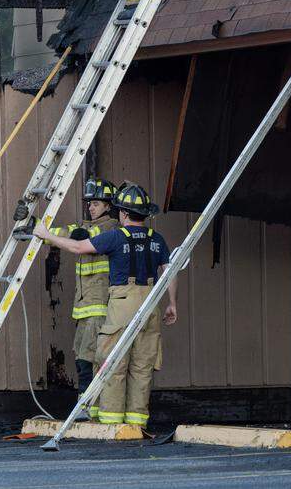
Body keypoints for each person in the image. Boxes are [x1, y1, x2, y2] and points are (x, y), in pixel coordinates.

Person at [35, 182, 177, 430]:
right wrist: (172, 304)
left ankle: (111, 422)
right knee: (142, 368)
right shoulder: (158, 240)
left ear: (122, 213)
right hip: (151, 305)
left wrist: (46, 236)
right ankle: (137, 424)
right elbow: (169, 271)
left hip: (122, 305)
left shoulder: (115, 236)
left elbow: (79, 247)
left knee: (113, 364)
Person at [42, 177, 118, 408]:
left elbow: (83, 236)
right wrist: (36, 227)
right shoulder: (86, 226)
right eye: (89, 203)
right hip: (84, 306)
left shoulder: (111, 227)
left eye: (96, 203)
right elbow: (66, 231)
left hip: (99, 305)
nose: (91, 207)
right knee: (82, 356)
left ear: (108, 205)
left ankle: (88, 406)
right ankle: (85, 405)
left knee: (91, 357)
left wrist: (51, 235)